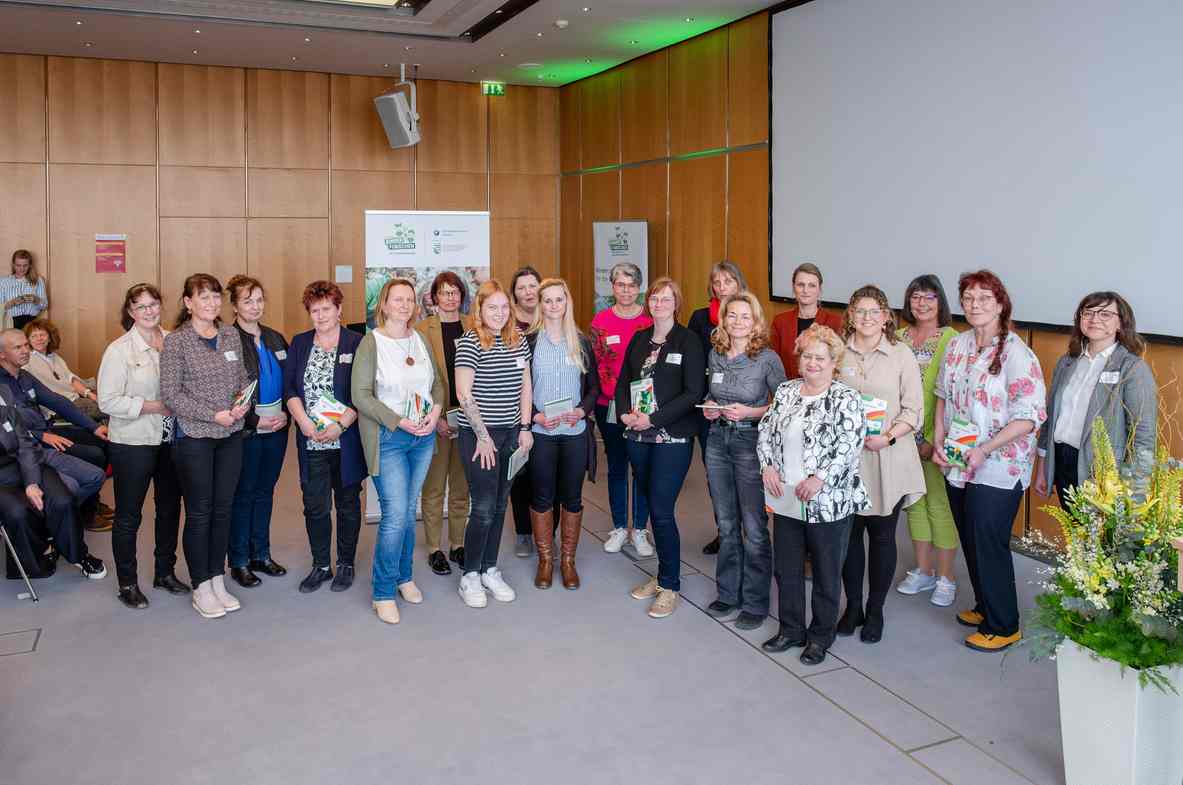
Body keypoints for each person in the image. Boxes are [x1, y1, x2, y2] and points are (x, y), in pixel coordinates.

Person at [932, 270, 1047, 653]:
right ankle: (985, 606)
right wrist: (937, 439)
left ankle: (1004, 624)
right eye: (968, 298)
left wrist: (984, 449)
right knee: (969, 537)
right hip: (958, 459)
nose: (975, 305)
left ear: (1000, 304)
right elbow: (943, 396)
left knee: (989, 541)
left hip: (1000, 466)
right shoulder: (959, 345)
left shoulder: (1018, 353)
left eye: (984, 298)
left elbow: (1029, 417)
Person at [757, 324, 868, 666]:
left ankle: (820, 636)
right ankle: (791, 629)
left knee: (825, 570)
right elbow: (765, 432)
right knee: (787, 568)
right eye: (807, 356)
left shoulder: (846, 398)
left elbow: (850, 445)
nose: (813, 363)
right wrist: (768, 467)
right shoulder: (787, 391)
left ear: (834, 362)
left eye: (821, 357)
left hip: (827, 501)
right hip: (786, 497)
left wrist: (820, 478)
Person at [835, 285, 925, 644]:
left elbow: (914, 410)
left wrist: (887, 437)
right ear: (850, 315)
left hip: (888, 455)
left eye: (875, 312)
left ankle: (875, 610)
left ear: (886, 317)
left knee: (883, 536)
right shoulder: (837, 351)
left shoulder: (902, 354)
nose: (867, 318)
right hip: (847, 460)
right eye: (860, 311)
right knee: (850, 536)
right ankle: (852, 606)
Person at [353, 278, 444, 625]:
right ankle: (382, 592)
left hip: (422, 437)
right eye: (397, 299)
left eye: (409, 299)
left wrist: (435, 413)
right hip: (389, 438)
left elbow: (437, 383)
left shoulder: (420, 339)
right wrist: (399, 422)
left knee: (408, 509)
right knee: (394, 516)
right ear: (385, 305)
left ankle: (404, 577)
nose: (404, 305)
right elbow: (361, 395)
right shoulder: (370, 343)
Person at [160, 273, 251, 620]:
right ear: (188, 303)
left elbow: (242, 377)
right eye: (204, 297)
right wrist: (215, 414)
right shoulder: (177, 342)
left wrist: (242, 403)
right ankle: (200, 584)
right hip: (195, 437)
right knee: (200, 512)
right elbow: (171, 394)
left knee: (224, 509)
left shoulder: (229, 334)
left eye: (216, 297)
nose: (212, 303)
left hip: (231, 435)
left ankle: (216, 577)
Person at [617, 277, 705, 619]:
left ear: (676, 303)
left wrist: (653, 419)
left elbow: (692, 392)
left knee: (662, 508)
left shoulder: (689, 341)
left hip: (672, 437)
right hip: (638, 435)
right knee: (652, 506)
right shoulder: (639, 339)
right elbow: (625, 379)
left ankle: (670, 584)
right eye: (654, 298)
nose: (659, 303)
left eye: (666, 299)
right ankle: (662, 574)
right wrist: (626, 413)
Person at [97, 283, 187, 609]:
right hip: (133, 443)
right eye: (141, 306)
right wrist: (153, 406)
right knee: (129, 516)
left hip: (171, 440)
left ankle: (165, 572)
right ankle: (127, 583)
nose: (149, 311)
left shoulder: (175, 341)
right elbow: (108, 400)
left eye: (153, 305)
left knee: (168, 509)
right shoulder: (119, 350)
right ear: (131, 312)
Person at [701, 292, 785, 628]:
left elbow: (783, 404)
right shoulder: (716, 353)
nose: (737, 322)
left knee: (754, 526)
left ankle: (755, 601)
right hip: (717, 441)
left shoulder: (767, 359)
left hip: (751, 442)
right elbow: (714, 392)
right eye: (731, 316)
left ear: (755, 322)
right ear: (723, 320)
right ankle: (728, 593)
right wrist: (709, 404)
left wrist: (751, 411)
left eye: (744, 316)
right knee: (726, 523)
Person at [453, 279, 534, 608]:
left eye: (504, 307)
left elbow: (526, 386)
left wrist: (526, 428)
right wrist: (483, 437)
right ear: (480, 310)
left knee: (501, 505)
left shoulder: (518, 341)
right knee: (484, 507)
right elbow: (463, 393)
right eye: (492, 307)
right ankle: (470, 575)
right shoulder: (470, 342)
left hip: (512, 434)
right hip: (479, 436)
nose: (499, 313)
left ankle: (489, 568)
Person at [1035, 292, 1157, 504]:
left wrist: (1136, 489)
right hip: (1063, 459)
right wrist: (1043, 467)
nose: (1095, 319)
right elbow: (1050, 417)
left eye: (1105, 314)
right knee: (1074, 530)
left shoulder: (1132, 368)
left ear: (1121, 323)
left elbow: (1143, 434)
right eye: (1088, 313)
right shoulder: (1066, 363)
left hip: (1104, 471)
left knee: (1098, 535)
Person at [284, 281, 365, 594]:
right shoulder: (301, 342)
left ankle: (345, 562)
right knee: (315, 505)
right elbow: (290, 387)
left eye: (326, 308)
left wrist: (341, 426)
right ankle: (320, 564)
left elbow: (363, 392)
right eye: (314, 310)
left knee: (347, 503)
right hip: (311, 438)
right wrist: (303, 422)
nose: (320, 315)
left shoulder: (356, 343)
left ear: (339, 309)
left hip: (345, 439)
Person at [525, 278, 599, 590]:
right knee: (541, 496)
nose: (554, 305)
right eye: (548, 300)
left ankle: (567, 560)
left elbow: (594, 387)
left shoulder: (580, 341)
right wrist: (534, 416)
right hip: (541, 432)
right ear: (540, 305)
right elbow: (519, 389)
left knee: (571, 497)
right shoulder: (528, 342)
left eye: (559, 299)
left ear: (567, 302)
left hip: (574, 432)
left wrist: (582, 410)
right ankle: (546, 559)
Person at [0, 328, 112, 533]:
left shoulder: (24, 376)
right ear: (2, 354)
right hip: (26, 444)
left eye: (26, 345)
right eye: (18, 347)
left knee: (98, 442)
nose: (26, 350)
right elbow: (6, 432)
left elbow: (57, 402)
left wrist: (94, 427)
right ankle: (77, 513)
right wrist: (40, 435)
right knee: (93, 455)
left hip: (46, 432)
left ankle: (87, 506)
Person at [894, 275, 961, 606]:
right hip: (902, 437)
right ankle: (924, 571)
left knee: (939, 506)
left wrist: (934, 441)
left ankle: (947, 577)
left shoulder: (952, 340)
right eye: (915, 297)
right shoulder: (898, 337)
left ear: (941, 302)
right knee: (914, 504)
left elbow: (953, 397)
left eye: (929, 297)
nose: (921, 303)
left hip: (935, 441)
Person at [0, 385, 105, 582]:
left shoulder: (6, 404)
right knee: (18, 511)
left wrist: (31, 483)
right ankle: (34, 562)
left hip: (27, 464)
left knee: (62, 500)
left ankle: (78, 555)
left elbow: (26, 447)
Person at [225, 276, 290, 589]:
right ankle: (238, 560)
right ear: (234, 305)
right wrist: (254, 421)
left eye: (259, 300)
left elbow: (292, 380)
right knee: (244, 493)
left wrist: (288, 412)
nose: (255, 306)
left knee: (266, 491)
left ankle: (260, 554)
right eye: (248, 300)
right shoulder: (226, 339)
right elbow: (224, 391)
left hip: (277, 427)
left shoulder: (276, 338)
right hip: (246, 430)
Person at [588, 262, 653, 556]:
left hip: (643, 407)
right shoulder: (600, 321)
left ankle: (639, 530)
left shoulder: (650, 321)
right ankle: (618, 528)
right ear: (612, 287)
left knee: (642, 468)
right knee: (616, 466)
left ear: (639, 288)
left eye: (631, 285)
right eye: (620, 285)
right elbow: (595, 363)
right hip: (609, 405)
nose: (625, 290)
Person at [687, 260, 748, 556]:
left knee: (744, 476)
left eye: (728, 281)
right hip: (708, 408)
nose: (722, 287)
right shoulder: (700, 318)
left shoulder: (749, 316)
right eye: (717, 282)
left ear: (739, 284)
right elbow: (693, 363)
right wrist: (705, 400)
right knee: (716, 475)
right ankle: (726, 532)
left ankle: (750, 534)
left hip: (743, 410)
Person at [415, 272, 470, 576]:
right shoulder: (422, 330)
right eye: (444, 293)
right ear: (434, 297)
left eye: (455, 292)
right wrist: (434, 418)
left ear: (462, 296)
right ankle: (435, 548)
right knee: (434, 488)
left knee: (461, 488)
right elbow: (419, 382)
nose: (450, 298)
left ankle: (458, 543)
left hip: (468, 420)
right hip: (436, 420)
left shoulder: (475, 326)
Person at [507, 265, 550, 557]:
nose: (527, 292)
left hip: (550, 412)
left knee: (547, 476)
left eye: (532, 285)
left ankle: (547, 534)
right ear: (514, 294)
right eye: (521, 287)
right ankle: (523, 533)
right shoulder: (508, 326)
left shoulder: (553, 320)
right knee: (520, 475)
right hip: (517, 411)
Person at [770, 262, 844, 380]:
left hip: (823, 390)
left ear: (819, 289)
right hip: (788, 390)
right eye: (801, 284)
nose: (805, 290)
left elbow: (838, 364)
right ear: (794, 287)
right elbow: (773, 363)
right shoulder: (780, 322)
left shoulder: (836, 322)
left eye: (811, 285)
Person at [24, 319, 101, 420]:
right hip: (57, 406)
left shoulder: (54, 357)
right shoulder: (27, 360)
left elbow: (71, 380)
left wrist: (90, 395)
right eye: (34, 336)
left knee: (105, 404)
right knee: (107, 410)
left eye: (42, 335)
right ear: (28, 340)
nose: (39, 339)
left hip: (73, 398)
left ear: (50, 338)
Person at [2, 250, 48, 330]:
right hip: (10, 323)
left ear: (30, 265)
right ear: (13, 264)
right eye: (18, 265)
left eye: (25, 265)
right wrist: (13, 302)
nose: (21, 269)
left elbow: (44, 305)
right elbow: (1, 307)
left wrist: (35, 299)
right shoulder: (4, 282)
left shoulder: (38, 280)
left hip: (32, 323)